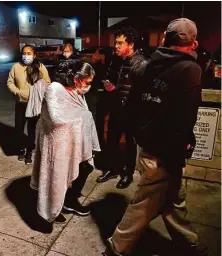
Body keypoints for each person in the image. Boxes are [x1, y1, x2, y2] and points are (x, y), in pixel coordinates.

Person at [103, 18, 208, 256]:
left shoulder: (150, 64)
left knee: (173, 199)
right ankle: (116, 247)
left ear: (164, 39)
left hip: (149, 146)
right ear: (194, 43)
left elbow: (138, 103)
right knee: (144, 203)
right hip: (165, 152)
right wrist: (179, 151)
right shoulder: (190, 69)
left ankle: (188, 243)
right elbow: (186, 118)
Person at [31, 61, 100, 224]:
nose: (89, 86)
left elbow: (83, 113)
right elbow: (57, 118)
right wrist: (81, 119)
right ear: (76, 78)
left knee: (86, 166)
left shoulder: (77, 91)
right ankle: (52, 208)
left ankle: (69, 200)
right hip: (57, 144)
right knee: (56, 177)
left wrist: (83, 120)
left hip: (75, 141)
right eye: (87, 82)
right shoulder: (55, 89)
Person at [96, 27, 145, 189]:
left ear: (130, 44)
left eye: (120, 43)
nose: (115, 46)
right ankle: (112, 169)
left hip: (132, 112)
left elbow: (142, 89)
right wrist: (108, 84)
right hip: (116, 108)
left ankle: (128, 174)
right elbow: (109, 77)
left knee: (130, 144)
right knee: (111, 140)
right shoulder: (116, 60)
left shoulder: (140, 63)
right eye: (115, 43)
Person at [7, 44, 51, 164]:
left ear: (34, 55)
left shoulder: (40, 67)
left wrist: (39, 92)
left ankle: (30, 152)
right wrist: (17, 92)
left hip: (35, 105)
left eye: (29, 53)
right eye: (24, 53)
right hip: (21, 103)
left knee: (32, 130)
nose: (26, 56)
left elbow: (47, 82)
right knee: (19, 128)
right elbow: (10, 82)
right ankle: (21, 149)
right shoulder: (16, 67)